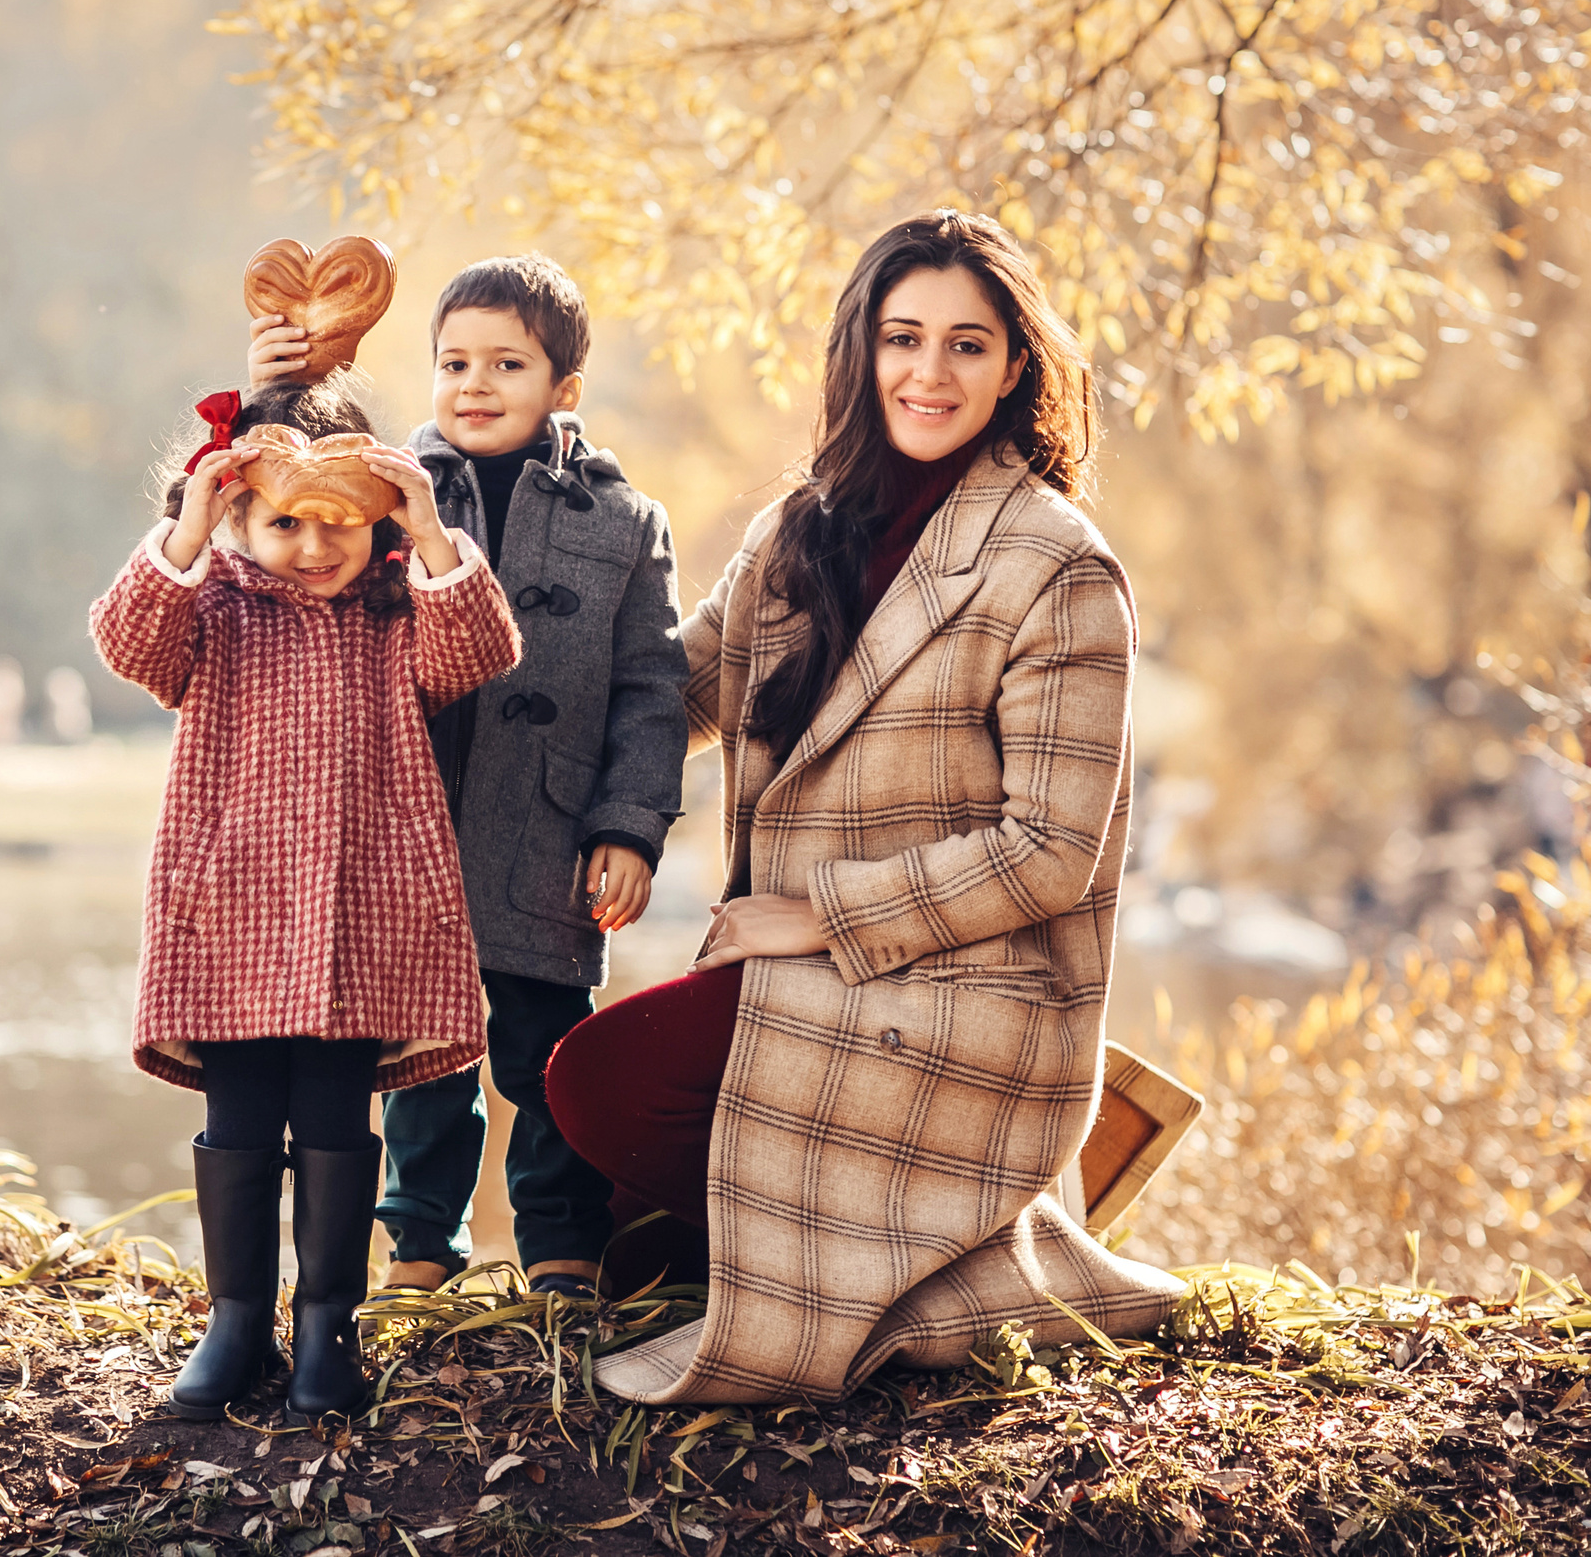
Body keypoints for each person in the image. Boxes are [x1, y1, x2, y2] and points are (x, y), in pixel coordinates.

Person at [547, 210, 1184, 1404]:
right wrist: (494, 614)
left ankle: (970, 1260)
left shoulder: (1058, 567)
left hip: (961, 984)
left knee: (603, 1087)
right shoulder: (804, 530)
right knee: (602, 1154)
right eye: (903, 339)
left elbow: (1050, 853)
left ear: (1013, 371)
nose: (928, 373)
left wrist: (814, 918)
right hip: (821, 983)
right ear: (862, 352)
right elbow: (678, 688)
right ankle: (935, 1248)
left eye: (965, 345)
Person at [250, 254, 684, 1301]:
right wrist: (271, 392)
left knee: (549, 1055)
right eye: (452, 362)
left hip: (551, 829)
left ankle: (560, 1246)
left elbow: (652, 691)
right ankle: (417, 1244)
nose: (474, 385)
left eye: (506, 363)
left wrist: (625, 828)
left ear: (562, 389)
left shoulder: (623, 524)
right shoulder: (383, 492)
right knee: (422, 1058)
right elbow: (272, 510)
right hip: (415, 824)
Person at [89, 376, 521, 1421]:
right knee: (240, 1110)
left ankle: (328, 1321)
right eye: (285, 523)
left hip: (357, 904)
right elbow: (128, 644)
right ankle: (236, 1319)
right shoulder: (213, 606)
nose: (314, 547)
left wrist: (427, 531)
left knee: (334, 1105)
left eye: (337, 524)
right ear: (241, 513)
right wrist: (187, 531)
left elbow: (480, 651)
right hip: (230, 894)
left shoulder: (391, 613)